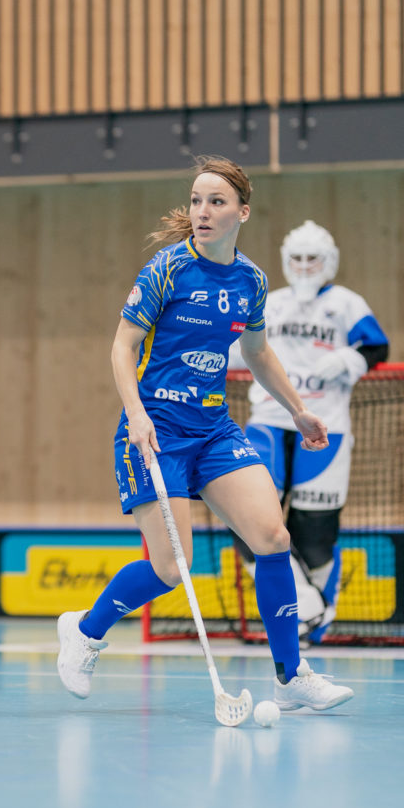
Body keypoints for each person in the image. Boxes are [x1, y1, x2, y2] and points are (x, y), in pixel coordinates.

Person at [56, 158, 354, 712]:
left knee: (273, 537)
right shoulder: (166, 269)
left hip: (213, 429)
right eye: (195, 201)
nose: (201, 212)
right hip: (154, 430)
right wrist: (137, 413)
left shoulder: (252, 281)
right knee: (172, 569)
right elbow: (122, 347)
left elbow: (258, 352)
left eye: (215, 202)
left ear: (243, 211)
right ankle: (85, 631)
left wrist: (299, 411)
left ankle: (291, 679)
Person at [229, 221, 389, 644]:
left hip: (326, 428)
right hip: (266, 422)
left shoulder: (346, 303)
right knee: (247, 521)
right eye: (296, 259)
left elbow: (377, 347)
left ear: (329, 262)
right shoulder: (271, 303)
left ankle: (317, 616)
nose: (303, 267)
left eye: (311, 259)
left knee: (314, 532)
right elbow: (238, 348)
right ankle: (306, 606)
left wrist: (347, 360)